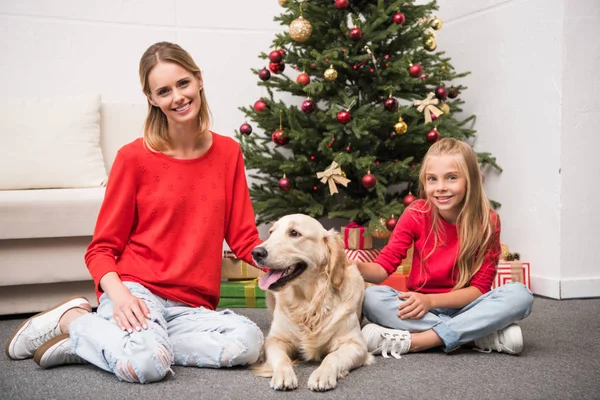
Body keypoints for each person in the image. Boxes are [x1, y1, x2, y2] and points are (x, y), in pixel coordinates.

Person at [5, 42, 264, 383]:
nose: (178, 97)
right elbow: (100, 249)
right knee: (147, 366)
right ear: (152, 98)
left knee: (248, 343)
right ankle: (75, 321)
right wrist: (121, 295)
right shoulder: (134, 158)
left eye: (183, 83)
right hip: (138, 291)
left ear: (199, 80)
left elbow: (245, 238)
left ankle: (104, 339)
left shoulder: (228, 152)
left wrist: (291, 261)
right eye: (164, 91)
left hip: (193, 306)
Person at [358, 138, 533, 359]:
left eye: (451, 178)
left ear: (470, 180)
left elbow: (479, 289)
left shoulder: (488, 221)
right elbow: (382, 268)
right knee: (372, 298)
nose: (440, 187)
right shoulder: (416, 213)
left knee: (520, 295)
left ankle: (419, 341)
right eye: (432, 179)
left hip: (467, 306)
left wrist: (431, 301)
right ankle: (477, 335)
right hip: (419, 307)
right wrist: (350, 265)